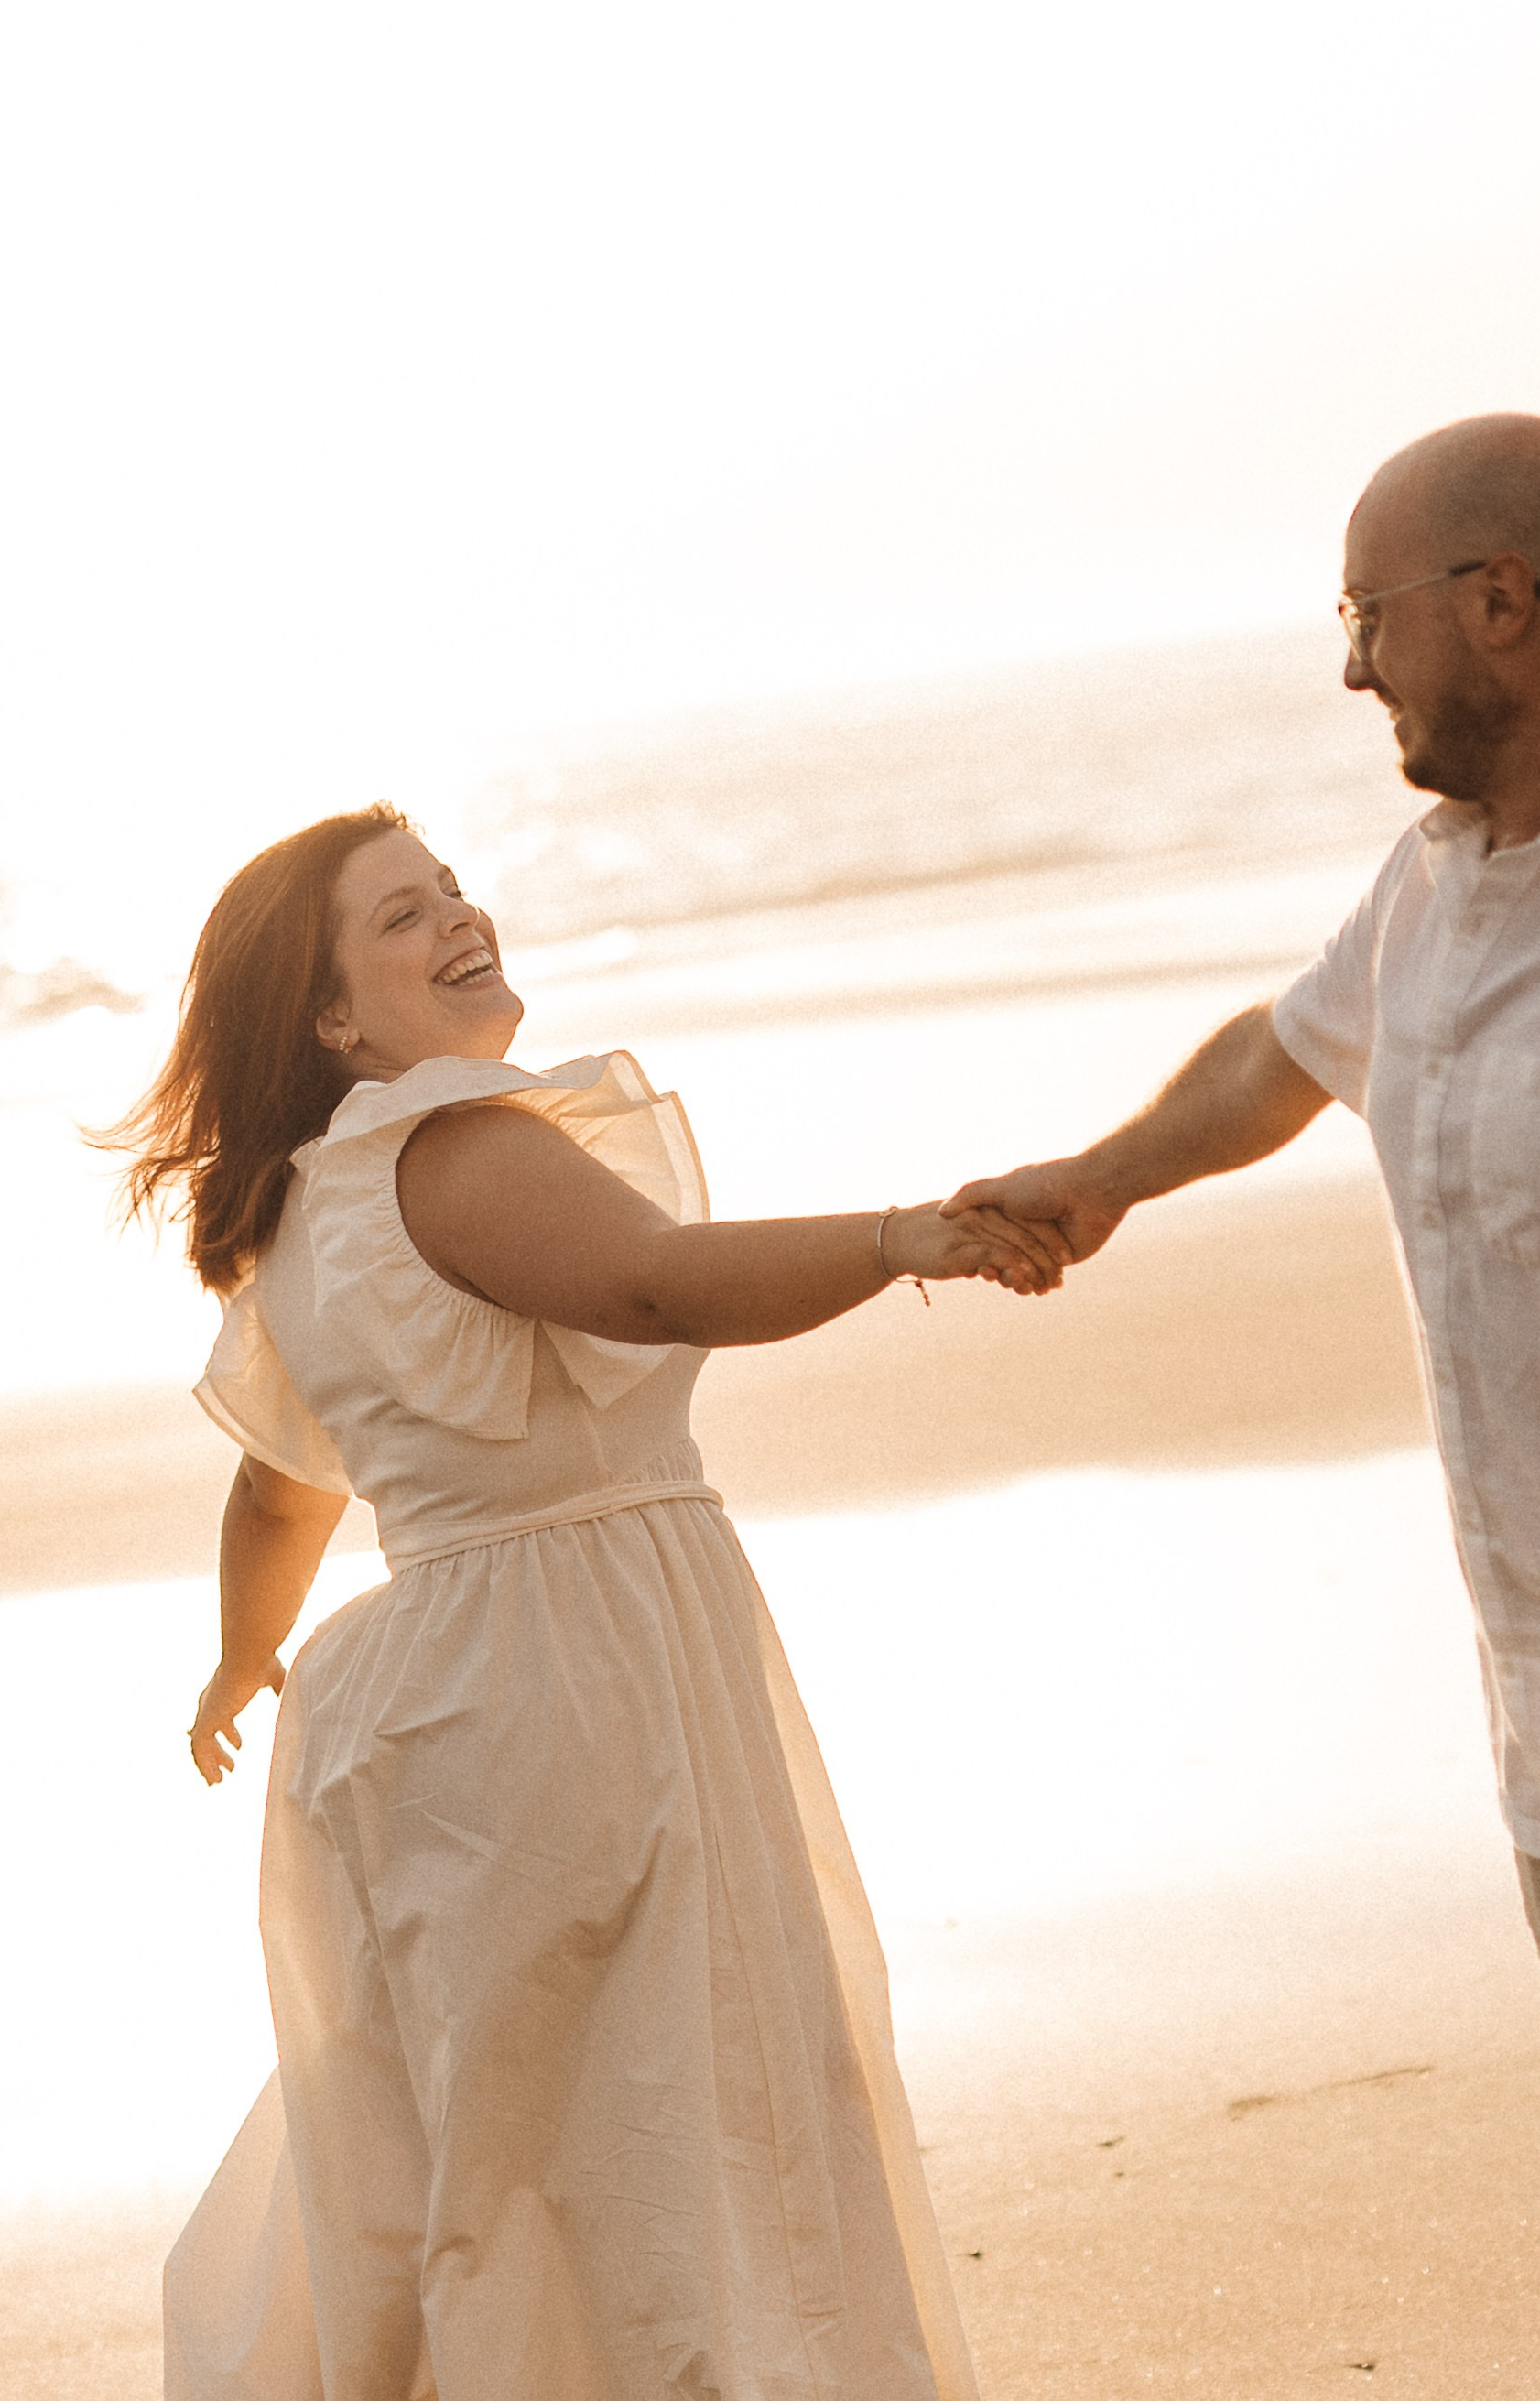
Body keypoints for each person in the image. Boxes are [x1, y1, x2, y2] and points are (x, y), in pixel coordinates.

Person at [949, 413, 1540, 2401]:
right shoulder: (1445, 879)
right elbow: (1291, 1049)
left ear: (1503, 604)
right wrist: (1102, 1174)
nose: (1350, 665)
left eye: (1366, 614)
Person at [110, 804, 1063, 2401]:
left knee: (499, 2143)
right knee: (652, 2116)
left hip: (433, 1685)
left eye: (454, 892)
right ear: (335, 1018)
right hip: (567, 1666)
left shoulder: (307, 1211)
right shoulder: (461, 1147)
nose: (459, 919)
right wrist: (911, 1234)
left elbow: (286, 1482)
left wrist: (245, 1652)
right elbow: (651, 1284)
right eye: (402, 918)